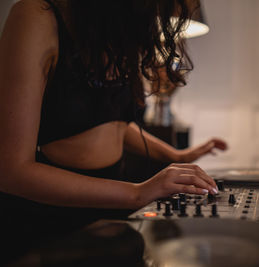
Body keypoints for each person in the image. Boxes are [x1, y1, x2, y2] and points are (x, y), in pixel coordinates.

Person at [0, 0, 227, 261]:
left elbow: (110, 123)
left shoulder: (111, 32)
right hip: (49, 230)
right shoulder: (36, 16)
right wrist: (136, 192)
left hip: (110, 220)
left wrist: (177, 157)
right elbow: (11, 170)